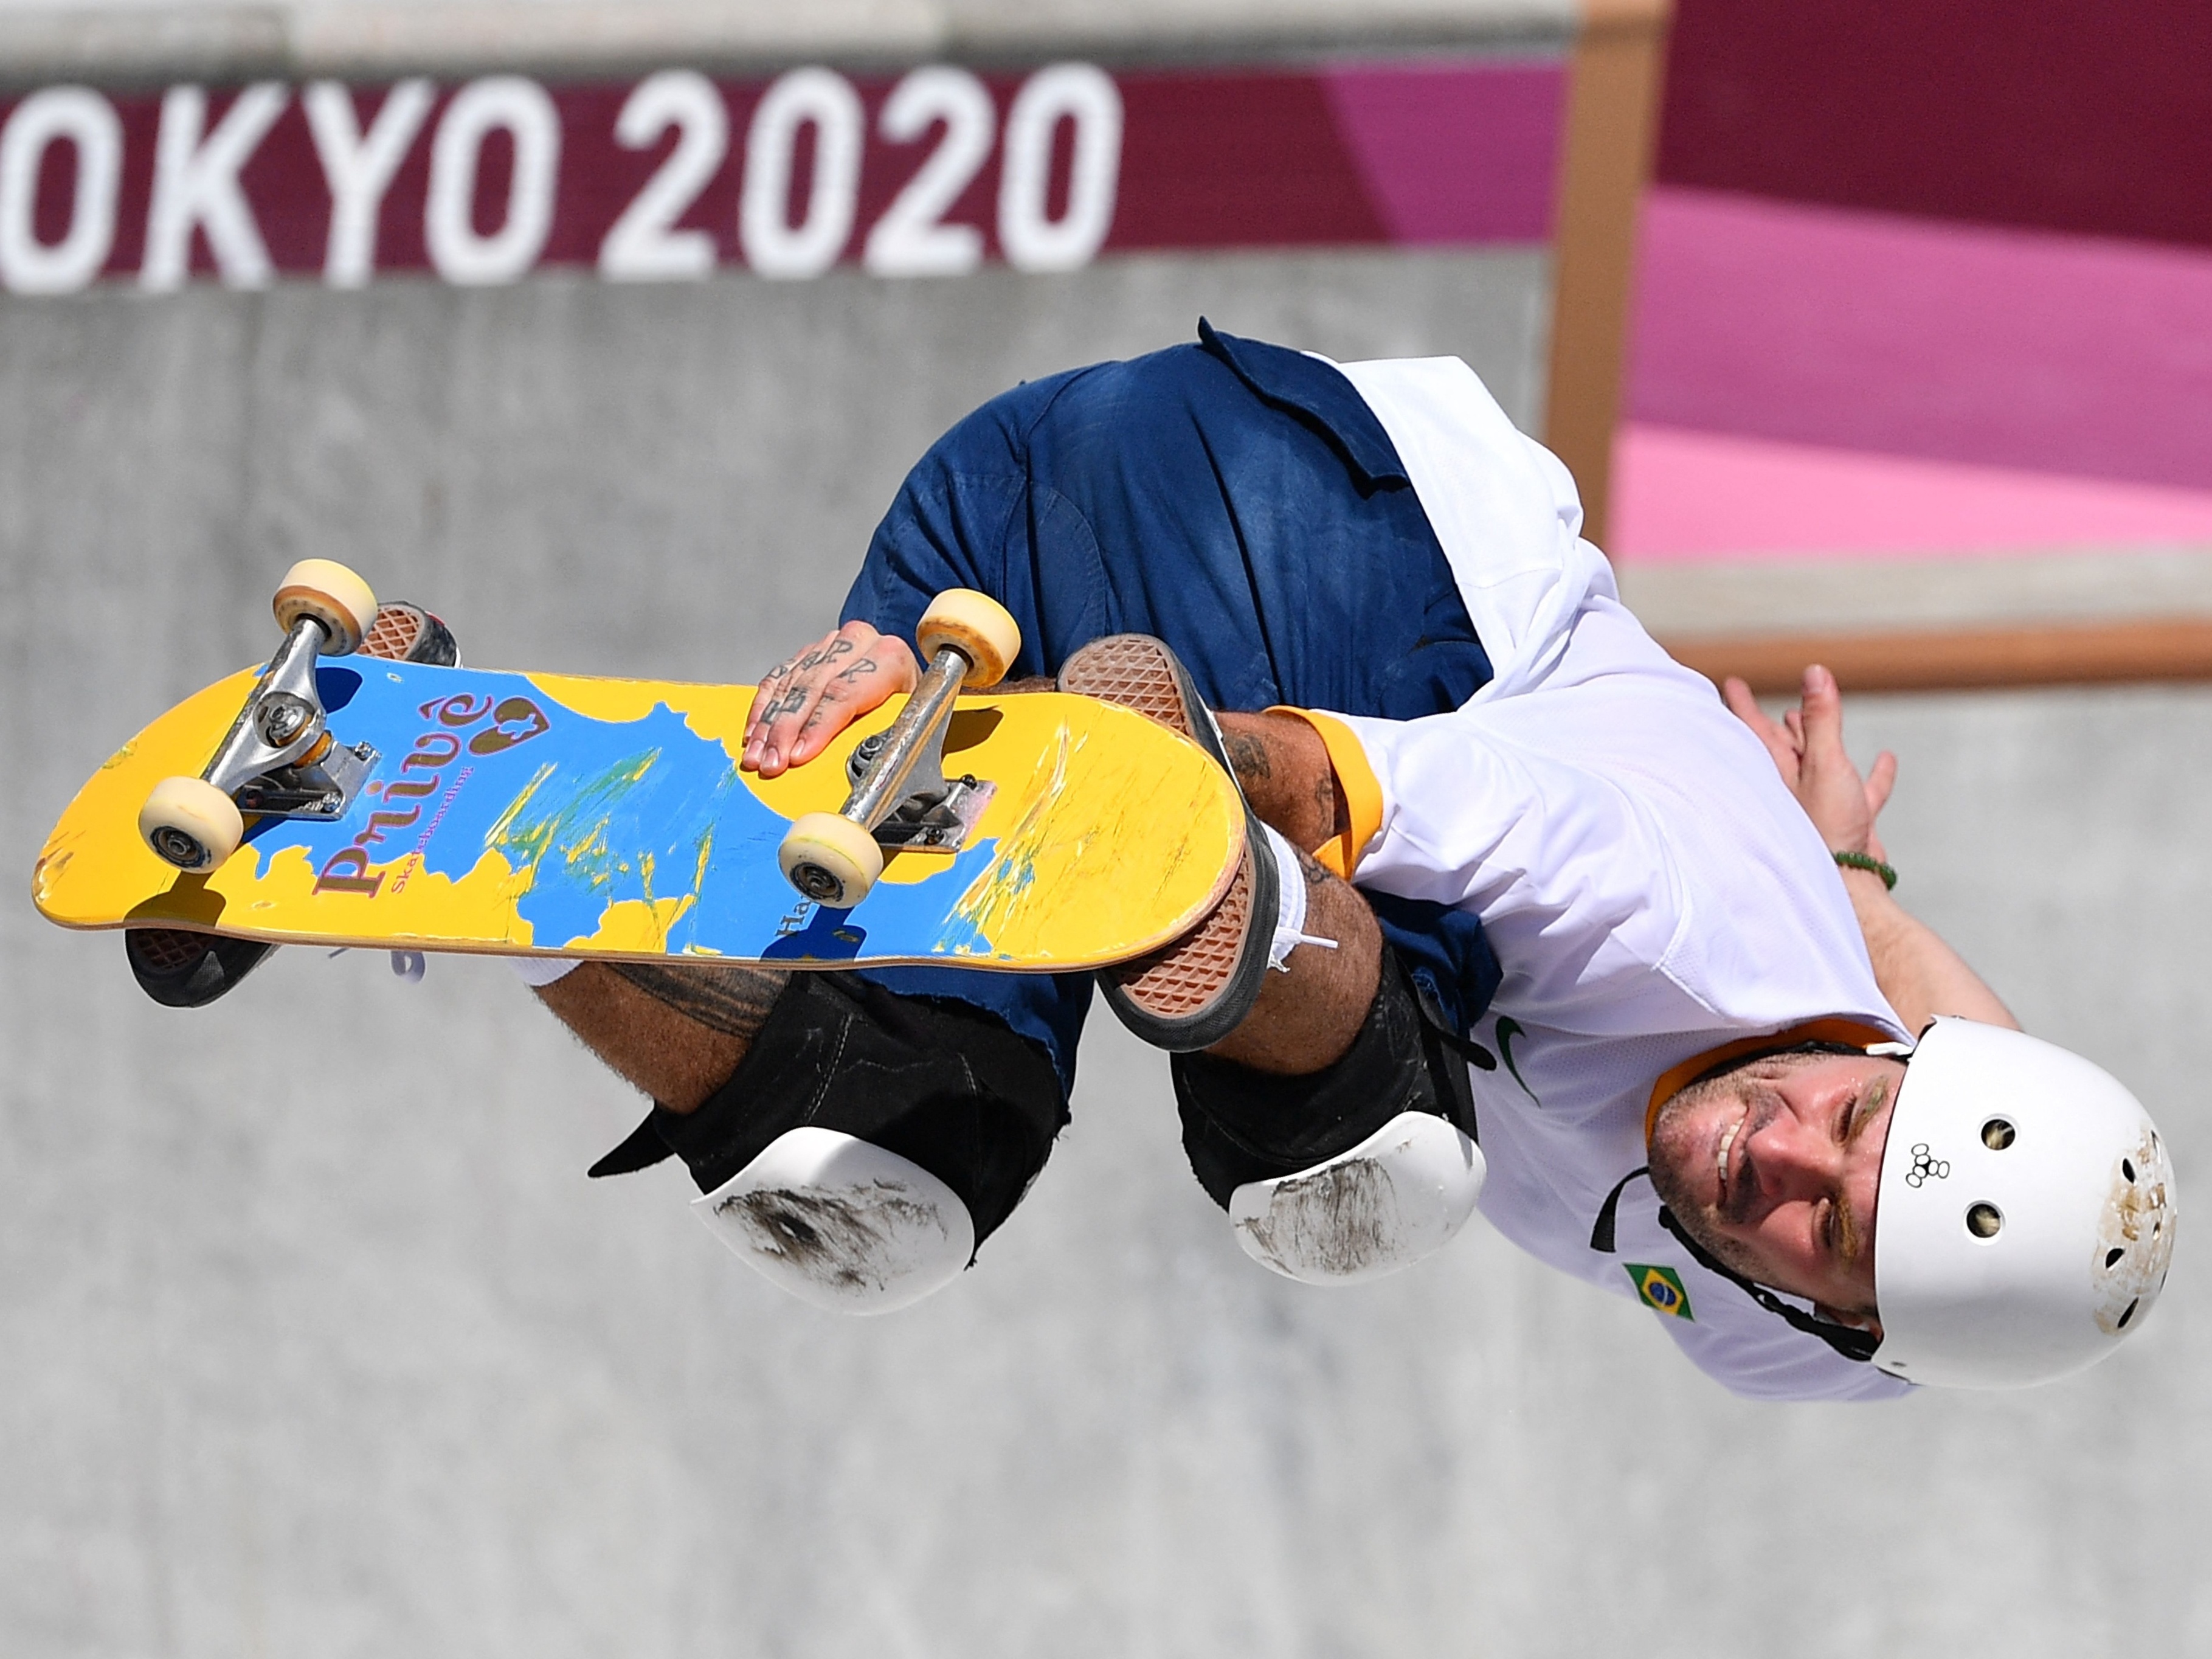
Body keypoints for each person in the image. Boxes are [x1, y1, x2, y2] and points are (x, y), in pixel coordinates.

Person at [521, 322, 2174, 1400]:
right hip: (1288, 511)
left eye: (1836, 1232)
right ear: (1887, 1052)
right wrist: (1185, 765)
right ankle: (1154, 812)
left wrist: (1868, 903)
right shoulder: (1686, 903)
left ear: (1848, 1326)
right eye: (1856, 1117)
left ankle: (520, 858)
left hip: (993, 517)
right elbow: (1347, 778)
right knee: (1374, 1148)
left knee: (882, 1182)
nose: (1783, 1156)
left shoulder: (1816, 1351)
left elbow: (1968, 1120)